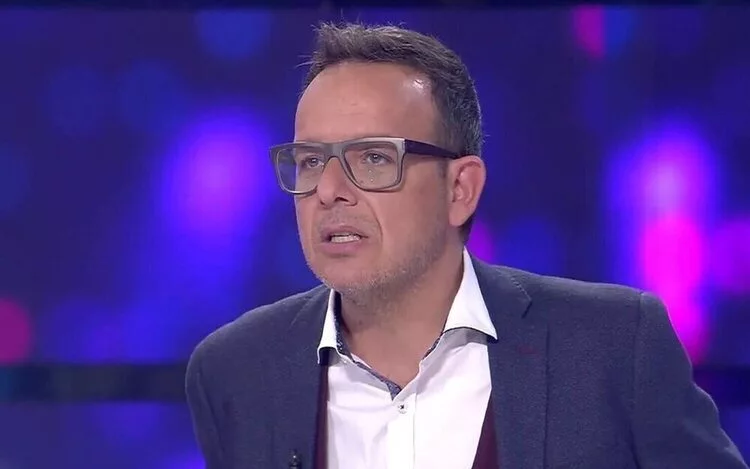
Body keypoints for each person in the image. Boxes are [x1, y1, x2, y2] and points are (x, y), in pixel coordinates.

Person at [185, 21, 748, 469]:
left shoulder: (613, 347)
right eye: (310, 161)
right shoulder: (235, 371)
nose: (329, 190)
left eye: (374, 158)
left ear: (460, 189)